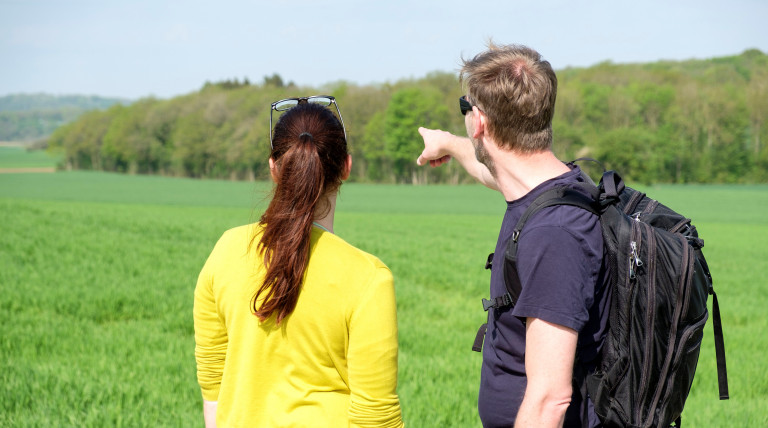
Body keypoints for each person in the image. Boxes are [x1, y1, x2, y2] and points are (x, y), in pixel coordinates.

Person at [416, 43, 611, 428]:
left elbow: (549, 400)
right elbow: (497, 171)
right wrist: (452, 144)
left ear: (481, 122)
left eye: (465, 109)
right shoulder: (557, 184)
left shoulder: (555, 234)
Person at [194, 96, 404, 428]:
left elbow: (213, 386)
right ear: (346, 167)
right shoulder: (368, 279)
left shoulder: (225, 250)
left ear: (274, 167)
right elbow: (375, 417)